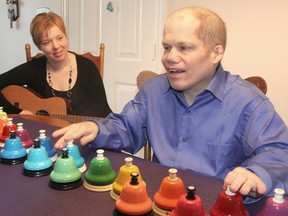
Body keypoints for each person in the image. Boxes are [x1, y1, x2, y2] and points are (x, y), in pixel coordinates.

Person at [52, 6, 288, 203]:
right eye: (167, 47)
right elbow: (125, 127)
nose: (169, 57)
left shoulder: (249, 102)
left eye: (184, 47)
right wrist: (97, 129)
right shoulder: (153, 91)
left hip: (215, 205)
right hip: (158, 199)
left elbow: (280, 151)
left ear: (216, 53)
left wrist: (257, 175)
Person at [0, 12, 111, 117]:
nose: (56, 46)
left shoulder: (87, 67)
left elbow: (103, 113)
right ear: (39, 46)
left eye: (60, 38)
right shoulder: (33, 68)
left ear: (66, 36)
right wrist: (17, 112)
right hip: (44, 134)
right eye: (47, 42)